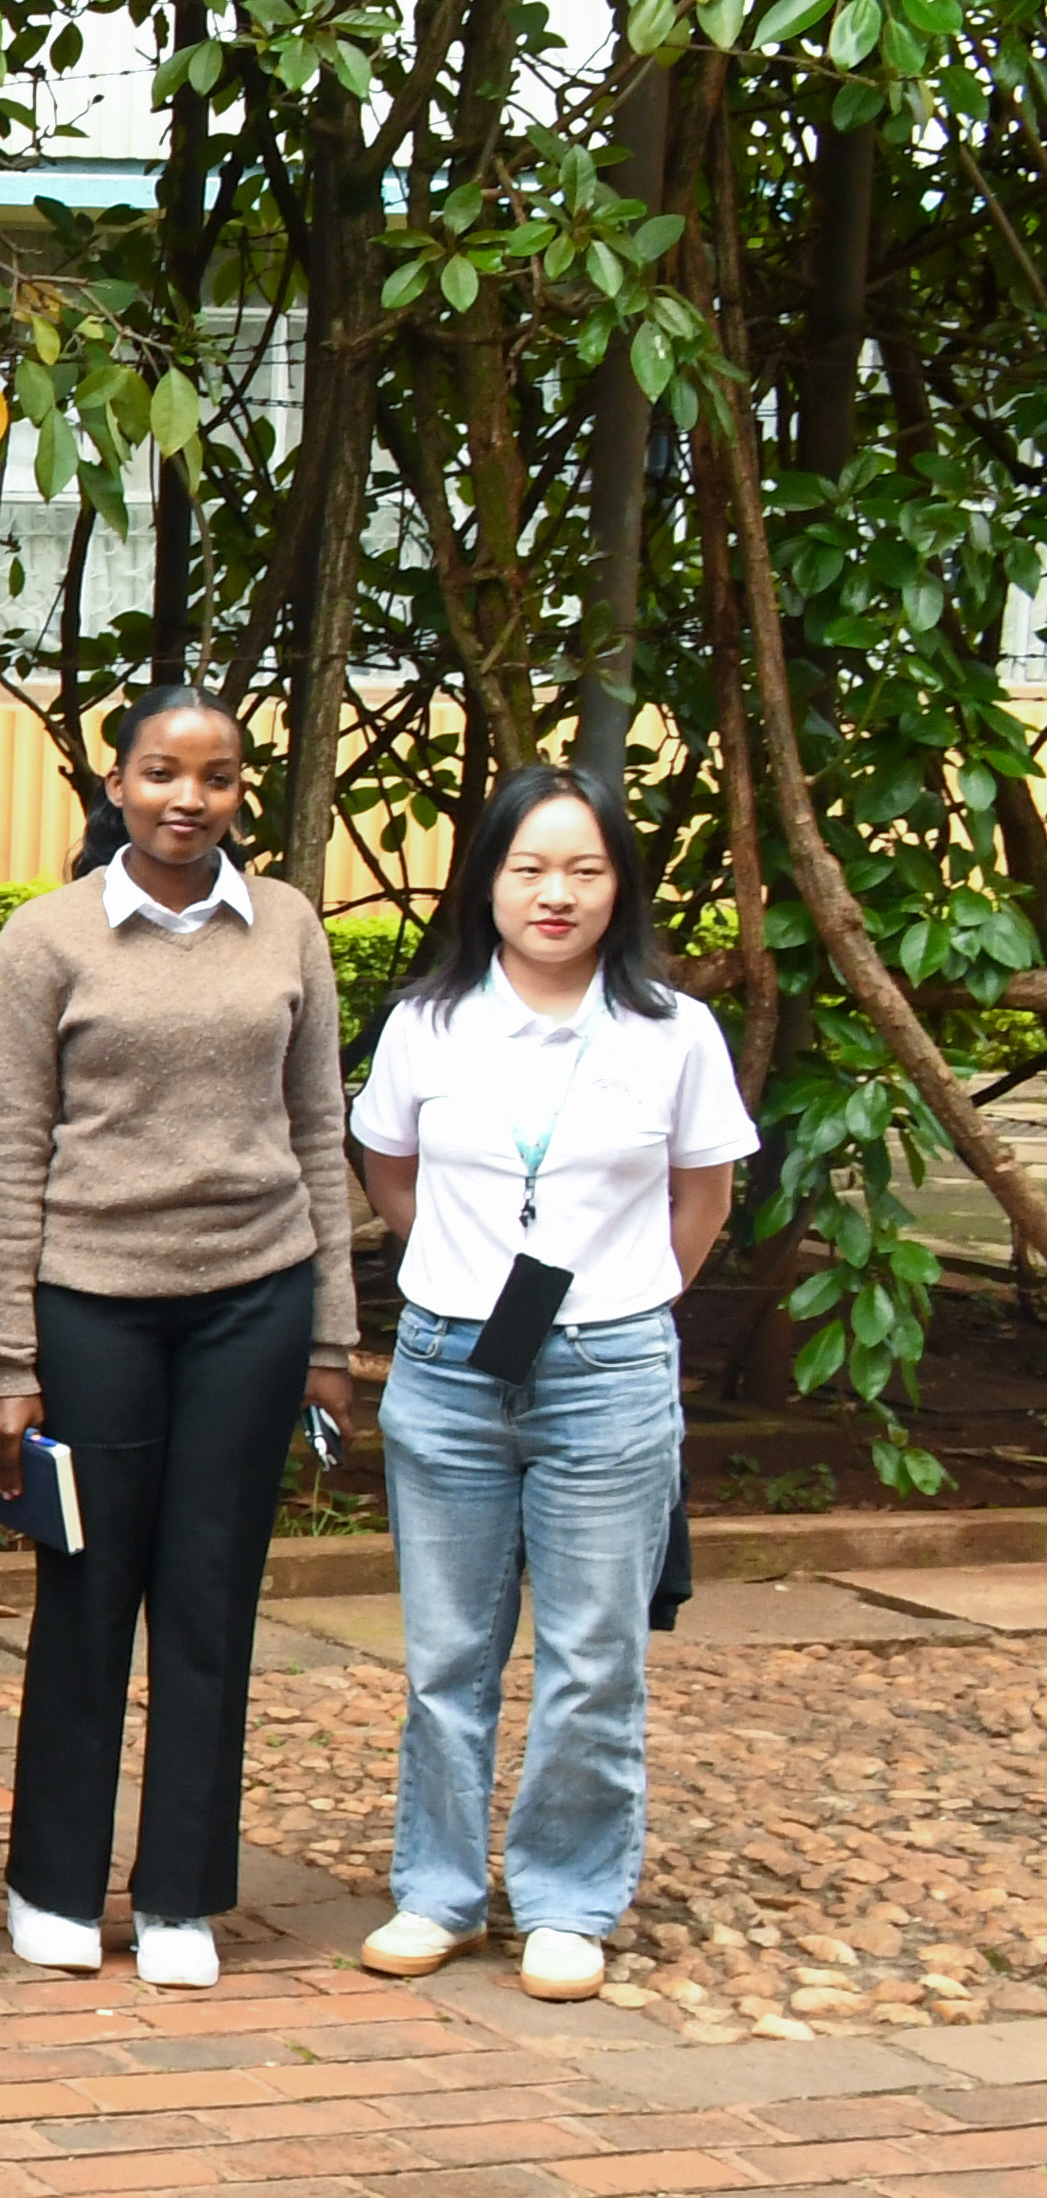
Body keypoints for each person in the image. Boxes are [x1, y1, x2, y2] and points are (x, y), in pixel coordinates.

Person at [0, 689, 361, 1992]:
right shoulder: (49, 940)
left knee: (210, 1601)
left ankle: (184, 1895)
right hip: (94, 1305)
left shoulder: (288, 927)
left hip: (253, 1301)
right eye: (161, 774)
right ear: (119, 786)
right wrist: (9, 1363)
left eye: (217, 778)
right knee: (88, 1595)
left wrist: (333, 1338)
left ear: (242, 791)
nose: (188, 799)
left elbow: (319, 1131)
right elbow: (11, 1157)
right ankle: (53, 1882)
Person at [351, 766, 754, 2002]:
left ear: (620, 884)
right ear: (489, 880)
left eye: (583, 867)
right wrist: (464, 1276)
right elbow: (391, 1173)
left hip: (610, 1368)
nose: (555, 893)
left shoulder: (672, 1030)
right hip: (450, 1365)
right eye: (529, 866)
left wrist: (623, 1302)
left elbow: (702, 1200)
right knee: (445, 1650)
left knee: (592, 1652)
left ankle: (569, 1897)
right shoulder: (430, 1020)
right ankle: (439, 1890)